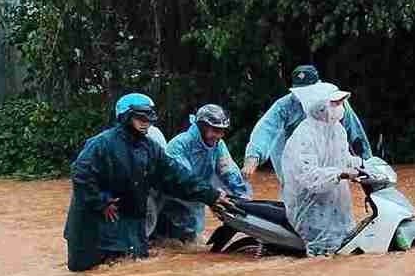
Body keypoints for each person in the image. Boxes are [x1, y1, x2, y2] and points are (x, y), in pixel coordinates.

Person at [64, 93, 232, 272]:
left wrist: (211, 195)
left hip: (129, 224)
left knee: (133, 272)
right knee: (92, 275)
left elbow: (177, 176)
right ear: (125, 117)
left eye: (149, 118)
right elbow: (81, 175)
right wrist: (101, 202)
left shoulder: (150, 148)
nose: (146, 123)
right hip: (93, 227)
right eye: (140, 118)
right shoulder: (102, 144)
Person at [242, 65, 371, 184]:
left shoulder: (334, 102)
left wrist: (366, 162)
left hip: (324, 151)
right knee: (297, 188)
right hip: (290, 156)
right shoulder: (285, 105)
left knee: (329, 182)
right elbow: (266, 129)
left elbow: (354, 131)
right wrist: (253, 156)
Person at [281, 82, 365, 256]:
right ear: (320, 107)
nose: (340, 108)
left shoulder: (338, 130)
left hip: (336, 204)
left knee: (344, 249)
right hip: (309, 206)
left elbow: (343, 158)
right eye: (335, 103)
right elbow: (308, 175)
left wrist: (363, 165)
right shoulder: (303, 135)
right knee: (319, 256)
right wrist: (340, 173)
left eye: (341, 103)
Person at [152, 103, 250, 243]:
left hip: (199, 200)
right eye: (215, 130)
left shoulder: (218, 144)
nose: (219, 135)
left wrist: (244, 199)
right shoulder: (179, 145)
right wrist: (212, 197)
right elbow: (184, 180)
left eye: (222, 131)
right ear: (202, 127)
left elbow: (229, 171)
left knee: (192, 241)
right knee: (172, 244)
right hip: (173, 203)